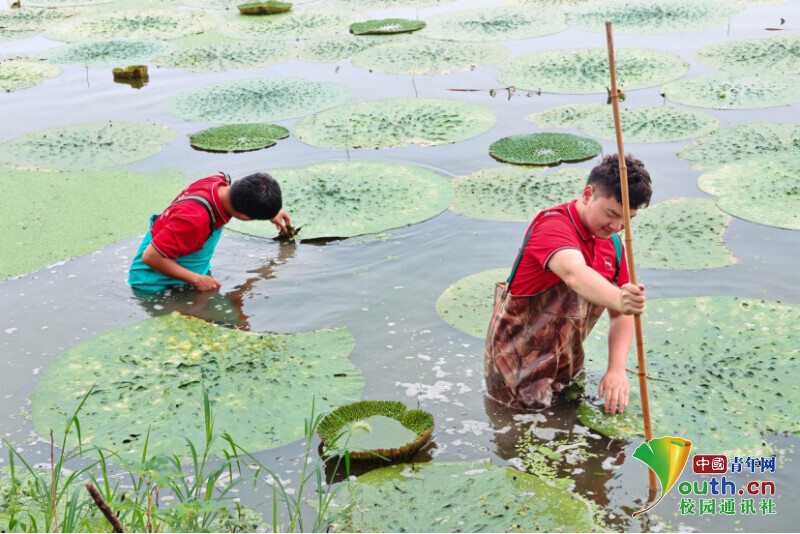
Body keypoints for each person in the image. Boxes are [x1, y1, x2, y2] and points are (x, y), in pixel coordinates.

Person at [485, 154, 652, 415]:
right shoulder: (552, 226)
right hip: (515, 375)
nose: (616, 226)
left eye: (626, 220)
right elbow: (574, 272)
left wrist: (616, 369)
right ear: (588, 194)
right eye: (611, 213)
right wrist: (619, 298)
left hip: (567, 366)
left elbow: (621, 317)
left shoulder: (616, 247)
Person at [128, 171, 291, 294]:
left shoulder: (219, 182)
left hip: (187, 262)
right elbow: (150, 257)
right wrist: (196, 279)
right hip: (157, 284)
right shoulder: (193, 220)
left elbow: (244, 200)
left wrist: (270, 213)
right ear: (244, 216)